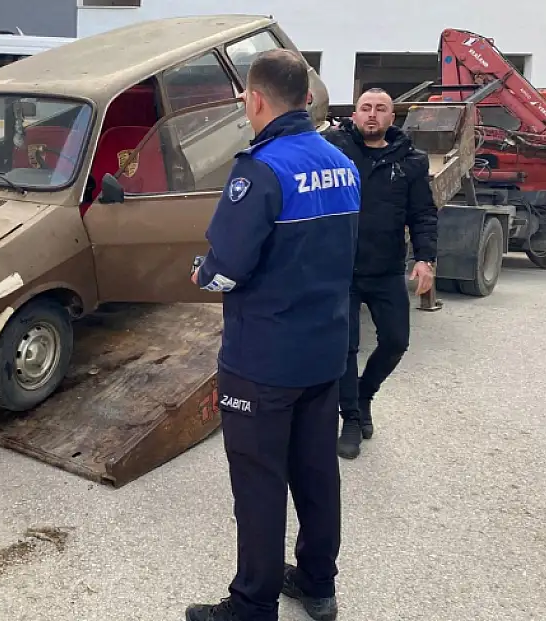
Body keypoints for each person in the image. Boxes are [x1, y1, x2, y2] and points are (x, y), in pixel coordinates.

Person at [185, 49, 360, 621]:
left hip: (263, 359)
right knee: (316, 472)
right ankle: (317, 583)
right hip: (325, 351)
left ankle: (252, 604)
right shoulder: (342, 163)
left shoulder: (260, 169)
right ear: (307, 98)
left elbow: (227, 267)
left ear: (254, 100)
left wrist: (203, 271)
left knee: (259, 484)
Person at [323, 88, 437, 461]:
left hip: (386, 268)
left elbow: (422, 214)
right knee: (346, 348)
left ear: (392, 117)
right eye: (365, 108)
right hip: (342, 268)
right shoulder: (333, 148)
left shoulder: (411, 161)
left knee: (395, 341)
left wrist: (425, 258)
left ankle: (364, 392)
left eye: (381, 109)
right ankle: (351, 418)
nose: (372, 114)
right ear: (354, 114)